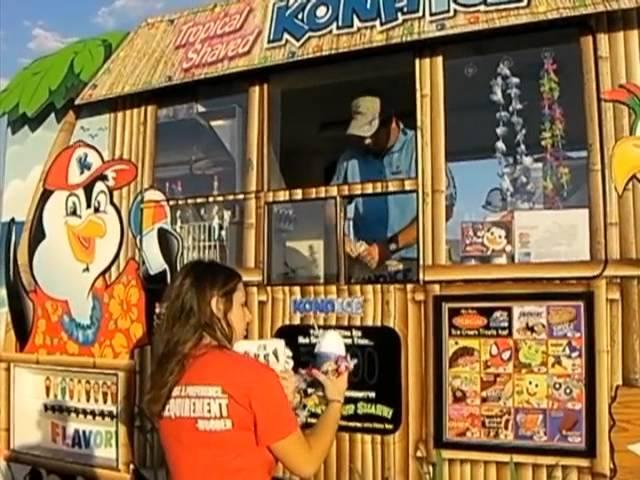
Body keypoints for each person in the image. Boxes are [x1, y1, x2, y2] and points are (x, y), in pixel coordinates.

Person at [145, 260, 349, 480]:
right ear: (217, 306)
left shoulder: (166, 375)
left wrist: (281, 406)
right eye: (242, 305)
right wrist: (335, 401)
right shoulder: (254, 376)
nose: (249, 316)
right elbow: (306, 463)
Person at [331, 94, 457, 275]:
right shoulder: (350, 159)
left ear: (391, 122)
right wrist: (341, 240)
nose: (367, 141)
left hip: (416, 266)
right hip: (367, 268)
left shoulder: (421, 148)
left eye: (372, 133)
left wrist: (388, 247)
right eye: (362, 134)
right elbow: (328, 209)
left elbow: (444, 208)